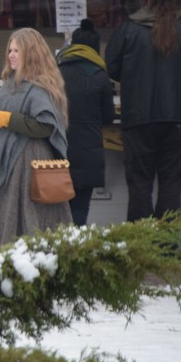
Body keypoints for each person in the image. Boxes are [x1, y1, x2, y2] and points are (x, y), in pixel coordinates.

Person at [105, 0, 181, 222]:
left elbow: (111, 67)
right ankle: (166, 249)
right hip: (179, 117)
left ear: (147, 1)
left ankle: (141, 248)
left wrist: (133, 76)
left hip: (137, 117)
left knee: (139, 183)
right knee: (171, 181)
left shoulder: (128, 28)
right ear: (177, 2)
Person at [0, 28, 71, 248]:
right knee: (3, 217)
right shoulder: (8, 87)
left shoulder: (40, 88)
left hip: (29, 163)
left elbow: (45, 126)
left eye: (17, 50)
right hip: (5, 163)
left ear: (32, 53)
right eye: (10, 49)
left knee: (29, 223)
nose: (11, 55)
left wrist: (8, 119)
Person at [56, 19, 116, 226]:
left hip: (59, 148)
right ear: (95, 48)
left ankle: (57, 252)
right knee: (81, 206)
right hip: (88, 151)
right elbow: (108, 117)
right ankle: (77, 250)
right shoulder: (100, 76)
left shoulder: (56, 73)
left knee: (59, 206)